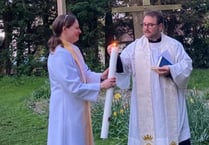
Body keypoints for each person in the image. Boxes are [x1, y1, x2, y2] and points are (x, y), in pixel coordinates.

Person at [108, 11, 193, 145]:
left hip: (168, 103)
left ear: (160, 27)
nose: (146, 28)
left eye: (151, 25)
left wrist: (171, 70)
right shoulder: (135, 47)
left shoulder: (174, 46)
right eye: (144, 24)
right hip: (145, 104)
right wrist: (115, 57)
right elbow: (123, 67)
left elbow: (186, 66)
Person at [47, 13, 116, 145]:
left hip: (76, 105)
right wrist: (101, 86)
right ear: (64, 29)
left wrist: (101, 77)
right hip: (65, 107)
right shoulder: (59, 53)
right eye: (76, 28)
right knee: (69, 139)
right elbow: (73, 86)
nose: (80, 31)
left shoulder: (73, 49)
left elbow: (84, 73)